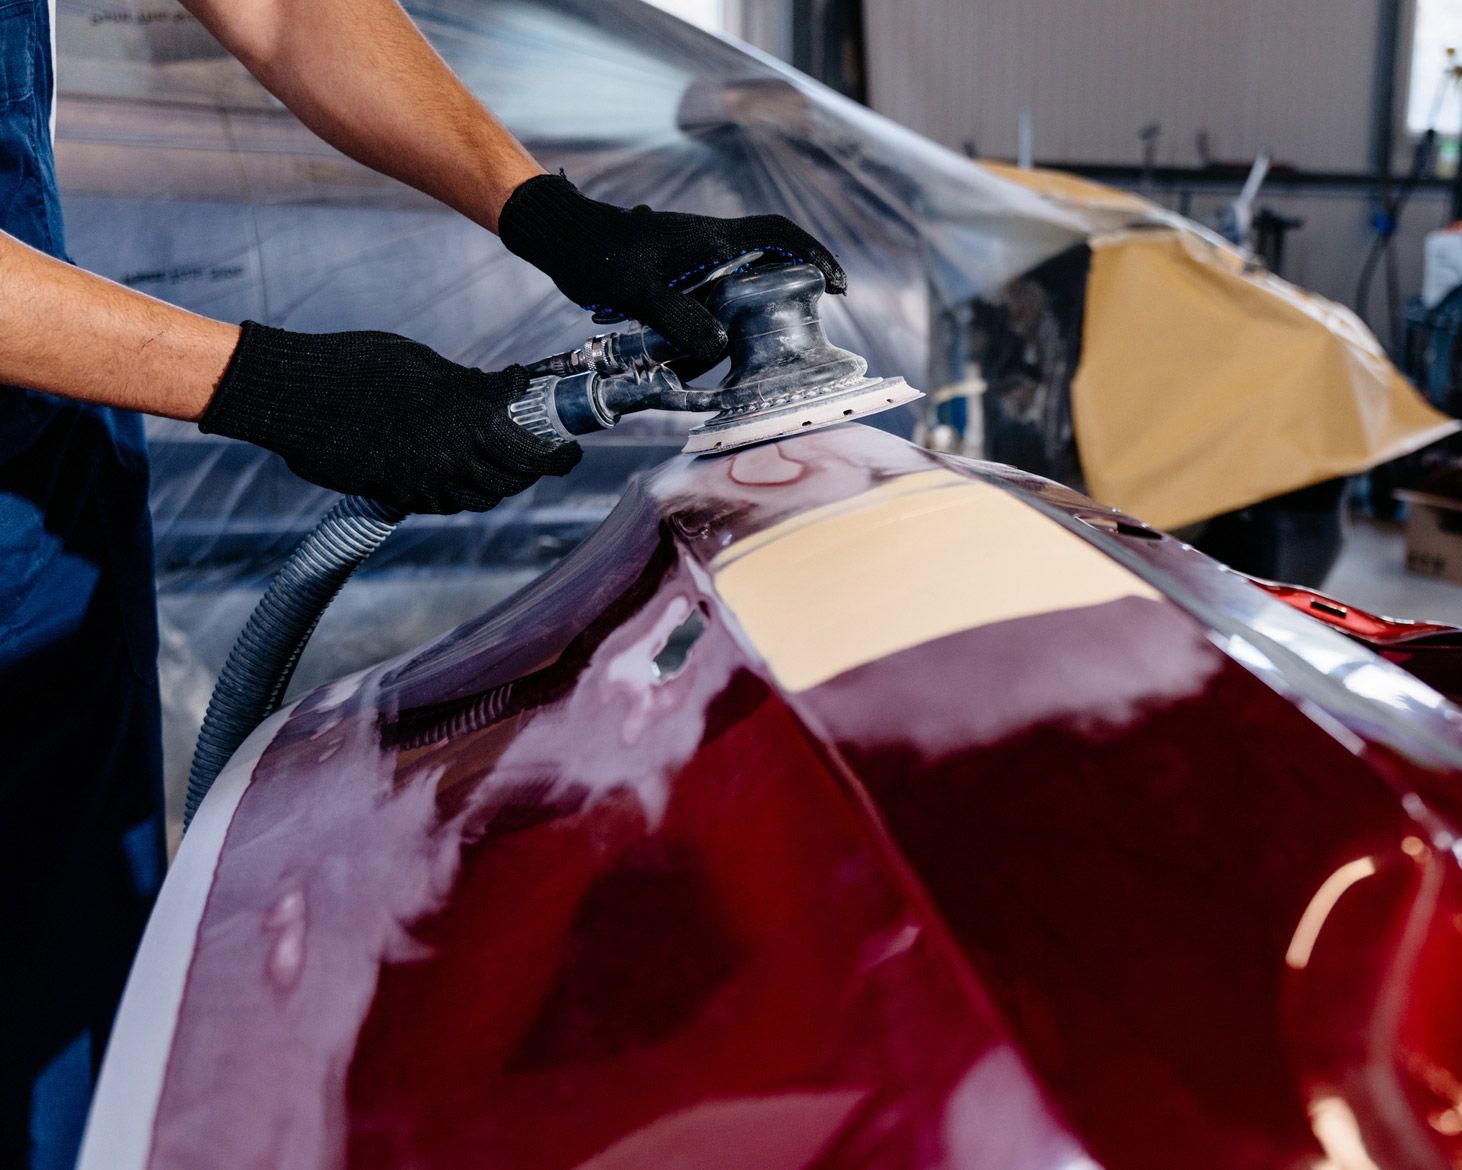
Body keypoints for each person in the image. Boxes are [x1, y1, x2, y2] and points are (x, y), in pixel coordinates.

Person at [0, 0, 844, 1164]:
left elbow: (288, 11)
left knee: (61, 1000)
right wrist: (270, 384)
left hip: (35, 503)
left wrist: (550, 214)